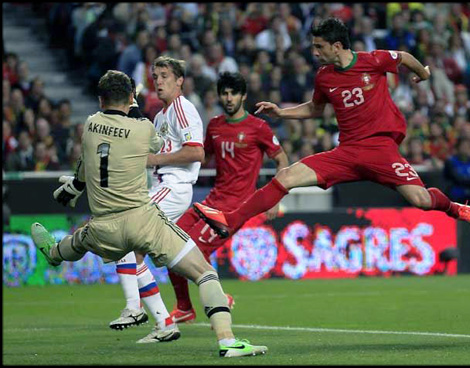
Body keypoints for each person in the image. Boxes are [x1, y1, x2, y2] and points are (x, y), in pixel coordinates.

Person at [30, 70, 267, 358]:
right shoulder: (143, 127)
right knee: (205, 273)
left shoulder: (90, 125)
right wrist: (135, 111)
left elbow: (85, 165)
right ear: (131, 98)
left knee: (78, 241)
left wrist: (73, 189)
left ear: (100, 99)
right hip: (143, 221)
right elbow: (154, 145)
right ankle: (227, 341)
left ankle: (54, 254)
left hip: (104, 226)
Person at [193, 17, 470, 240]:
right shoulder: (324, 77)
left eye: (319, 46)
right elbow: (314, 108)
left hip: (380, 150)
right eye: (313, 46)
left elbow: (406, 58)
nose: (315, 52)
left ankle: (457, 209)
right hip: (346, 153)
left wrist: (422, 75)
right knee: (286, 175)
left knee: (421, 200)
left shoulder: (373, 61)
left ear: (337, 46)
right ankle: (230, 221)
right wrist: (282, 112)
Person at [168, 72, 289, 323]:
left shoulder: (258, 127)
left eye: (234, 93)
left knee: (192, 252)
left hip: (235, 207)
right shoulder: (214, 125)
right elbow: (201, 157)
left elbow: (282, 160)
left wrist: (275, 199)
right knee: (170, 243)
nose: (229, 97)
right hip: (211, 200)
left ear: (243, 96)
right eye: (225, 93)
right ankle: (184, 307)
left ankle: (218, 299)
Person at [107, 56, 206, 340]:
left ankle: (134, 307)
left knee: (126, 237)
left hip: (174, 186)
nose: (159, 81)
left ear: (179, 81)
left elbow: (196, 152)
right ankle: (164, 324)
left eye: (165, 76)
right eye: (155, 76)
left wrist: (155, 158)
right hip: (163, 186)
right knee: (136, 251)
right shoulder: (162, 115)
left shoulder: (182, 109)